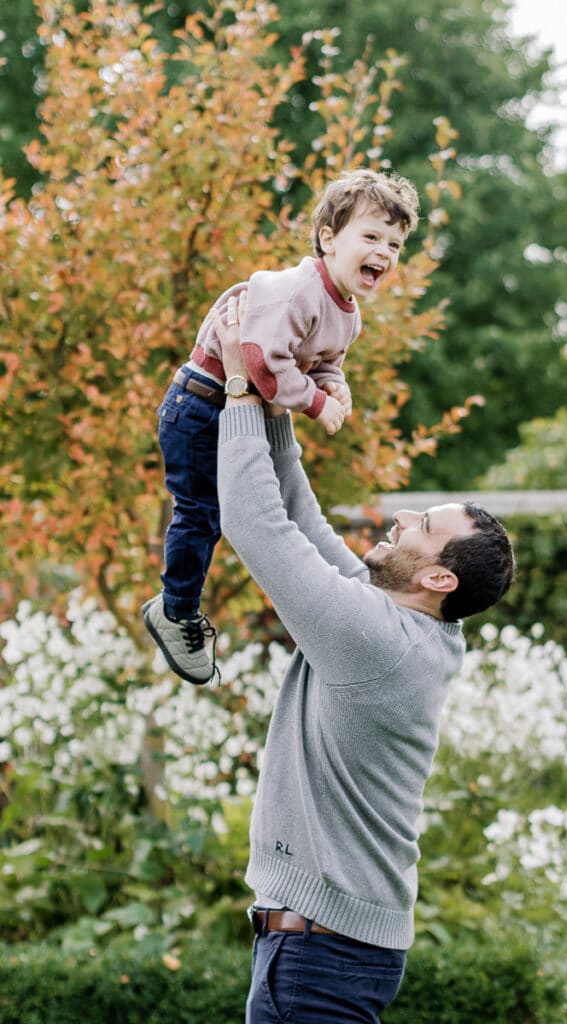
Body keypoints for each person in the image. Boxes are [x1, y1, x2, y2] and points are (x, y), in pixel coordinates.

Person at [216, 292, 516, 1023]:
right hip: (337, 948)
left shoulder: (374, 640)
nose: (401, 516)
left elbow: (255, 524)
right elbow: (300, 518)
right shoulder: (404, 627)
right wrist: (277, 394)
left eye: (423, 525)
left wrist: (233, 385)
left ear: (438, 578)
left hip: (317, 958)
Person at [143, 169, 420, 685]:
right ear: (329, 239)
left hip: (232, 408)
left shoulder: (349, 314)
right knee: (202, 513)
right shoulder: (296, 292)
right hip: (200, 404)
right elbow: (261, 363)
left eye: (395, 244)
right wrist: (315, 404)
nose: (384, 251)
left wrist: (334, 386)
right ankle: (175, 610)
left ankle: (179, 603)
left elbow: (324, 361)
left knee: (241, 510)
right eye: (371, 236)